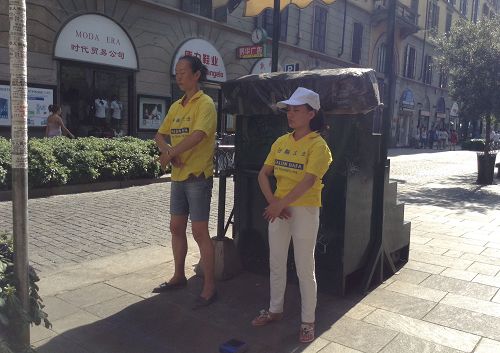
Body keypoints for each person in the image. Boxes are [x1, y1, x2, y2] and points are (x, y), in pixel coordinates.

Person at [252, 87, 332, 343]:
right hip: (280, 208)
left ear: (311, 114)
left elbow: (308, 182)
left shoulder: (319, 146)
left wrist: (279, 203)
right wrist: (274, 202)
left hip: (304, 209)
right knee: (276, 261)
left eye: (297, 110)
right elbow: (263, 174)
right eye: (289, 109)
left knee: (304, 267)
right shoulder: (281, 142)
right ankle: (275, 310)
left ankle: (308, 320)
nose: (291, 114)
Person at [153, 55, 217, 309]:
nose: (178, 76)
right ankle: (179, 276)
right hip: (178, 178)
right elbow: (159, 135)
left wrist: (171, 153)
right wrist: (170, 150)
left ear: (196, 75)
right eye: (176, 72)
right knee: (176, 227)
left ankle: (210, 286)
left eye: (182, 72)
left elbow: (200, 135)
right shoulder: (177, 106)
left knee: (200, 232)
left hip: (198, 177)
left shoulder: (206, 104)